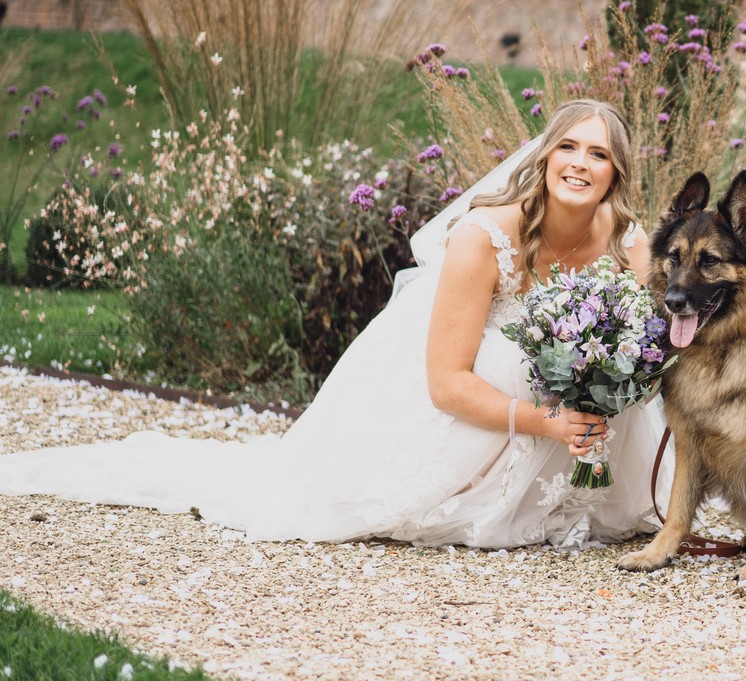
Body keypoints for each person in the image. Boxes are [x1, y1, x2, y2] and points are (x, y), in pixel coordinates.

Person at [0, 100, 671, 549]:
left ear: (616, 174)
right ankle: (491, 486)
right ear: (546, 156)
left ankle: (575, 485)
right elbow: (445, 382)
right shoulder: (481, 238)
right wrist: (550, 420)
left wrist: (603, 393)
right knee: (511, 357)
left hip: (570, 424)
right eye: (569, 148)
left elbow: (636, 357)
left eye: (599, 155)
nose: (580, 163)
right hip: (463, 408)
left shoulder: (629, 243)